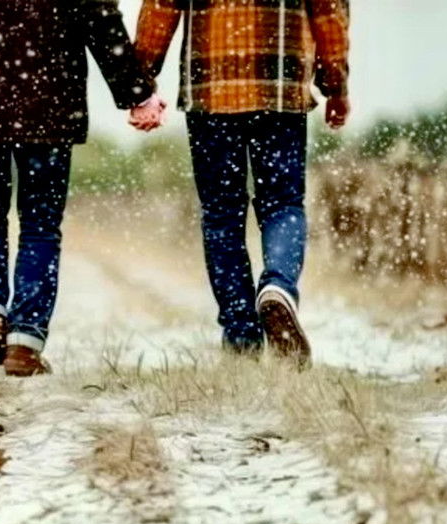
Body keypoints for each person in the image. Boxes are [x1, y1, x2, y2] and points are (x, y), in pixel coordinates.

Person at [0, 0, 165, 376]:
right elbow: (97, 12)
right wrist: (135, 92)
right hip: (50, 97)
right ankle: (25, 343)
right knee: (40, 226)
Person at [130, 0, 351, 366]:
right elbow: (329, 10)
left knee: (221, 216)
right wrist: (335, 84)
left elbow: (161, 6)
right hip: (280, 84)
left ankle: (241, 335)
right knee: (282, 204)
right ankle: (278, 288)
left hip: (210, 87)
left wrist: (140, 82)